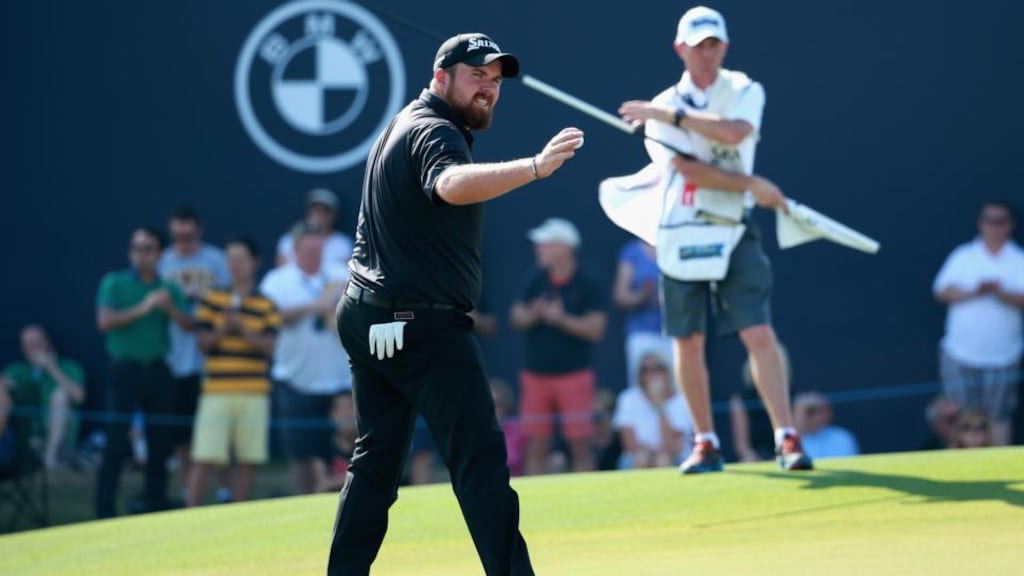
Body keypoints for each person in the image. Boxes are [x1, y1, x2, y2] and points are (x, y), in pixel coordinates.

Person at [328, 32, 583, 576]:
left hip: (369, 315)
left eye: (494, 81)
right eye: (476, 77)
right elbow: (448, 184)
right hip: (417, 323)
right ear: (441, 77)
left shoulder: (405, 122)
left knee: (375, 463)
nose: (488, 89)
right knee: (480, 463)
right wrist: (534, 167)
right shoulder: (433, 129)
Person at [616, 6, 812, 473]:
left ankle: (786, 437)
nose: (706, 54)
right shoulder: (663, 104)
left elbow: (733, 132)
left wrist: (670, 117)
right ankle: (705, 442)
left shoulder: (742, 89)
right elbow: (686, 169)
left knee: (758, 331)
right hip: (682, 226)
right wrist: (750, 184)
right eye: (697, 45)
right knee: (687, 338)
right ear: (680, 49)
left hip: (733, 226)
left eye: (713, 45)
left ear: (723, 47)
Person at [95, 227, 191, 518]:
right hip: (124, 370)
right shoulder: (114, 282)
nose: (141, 254)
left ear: (160, 254)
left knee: (160, 443)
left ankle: (155, 506)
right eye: (136, 248)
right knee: (114, 444)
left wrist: (169, 308)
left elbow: (190, 325)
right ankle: (104, 512)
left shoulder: (169, 289)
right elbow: (105, 322)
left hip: (158, 371)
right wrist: (143, 308)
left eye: (148, 248)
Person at [186, 236, 281, 506]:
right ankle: (188, 516)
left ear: (254, 262)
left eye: (241, 259)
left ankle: (238, 516)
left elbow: (270, 348)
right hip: (216, 391)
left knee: (247, 459)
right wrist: (223, 329)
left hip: (254, 392)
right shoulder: (212, 299)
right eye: (231, 259)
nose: (235, 265)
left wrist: (242, 329)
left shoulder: (267, 303)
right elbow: (202, 343)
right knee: (203, 456)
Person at [509, 217, 607, 475]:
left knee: (580, 444)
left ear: (563, 247)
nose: (538, 249)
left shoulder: (588, 283)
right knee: (536, 444)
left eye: (544, 244)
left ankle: (588, 498)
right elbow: (516, 316)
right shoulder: (534, 279)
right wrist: (535, 313)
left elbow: (596, 329)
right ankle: (534, 502)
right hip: (536, 375)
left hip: (575, 375)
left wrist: (561, 319)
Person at [260, 223, 350, 495]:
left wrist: (337, 309)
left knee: (346, 447)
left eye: (318, 249)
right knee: (301, 452)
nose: (314, 255)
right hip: (295, 379)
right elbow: (271, 318)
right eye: (308, 249)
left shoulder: (340, 275)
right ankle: (304, 502)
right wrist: (315, 306)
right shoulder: (276, 281)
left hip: (340, 382)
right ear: (296, 250)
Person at [933, 200, 1024, 446]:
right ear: (981, 223)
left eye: (1000, 221)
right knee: (960, 415)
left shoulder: (1019, 259)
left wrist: (1000, 292)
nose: (994, 227)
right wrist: (975, 291)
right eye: (989, 220)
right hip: (960, 353)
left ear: (1010, 225)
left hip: (1004, 356)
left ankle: (1000, 471)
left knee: (999, 415)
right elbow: (941, 292)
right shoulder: (963, 256)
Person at [158, 205, 229, 495]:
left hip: (211, 360)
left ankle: (224, 490)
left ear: (198, 230)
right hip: (174, 359)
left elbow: (226, 299)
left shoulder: (215, 259)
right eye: (178, 236)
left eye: (189, 235)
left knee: (215, 431)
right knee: (182, 436)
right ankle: (190, 492)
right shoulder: (163, 261)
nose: (184, 241)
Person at [1, 325, 87, 469]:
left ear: (47, 342)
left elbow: (79, 397)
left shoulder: (69, 368)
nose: (33, 347)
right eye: (28, 344)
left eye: (37, 342)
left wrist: (52, 368)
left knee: (60, 395)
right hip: (24, 435)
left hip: (61, 436)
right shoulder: (15, 371)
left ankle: (50, 456)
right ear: (23, 349)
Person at [612, 351, 692, 469]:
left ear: (667, 372)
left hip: (675, 458)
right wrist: (649, 452)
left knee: (663, 460)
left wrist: (659, 406)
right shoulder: (628, 399)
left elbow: (675, 447)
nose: (651, 374)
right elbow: (630, 445)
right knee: (642, 458)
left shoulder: (681, 401)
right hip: (638, 457)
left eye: (657, 368)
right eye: (645, 370)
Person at [613, 238, 675, 389]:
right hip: (642, 333)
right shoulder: (631, 252)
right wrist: (643, 297)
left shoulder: (676, 245)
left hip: (676, 332)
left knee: (677, 388)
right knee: (641, 390)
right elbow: (620, 296)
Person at [730, 346, 789, 462]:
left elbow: (795, 436)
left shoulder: (794, 397)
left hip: (785, 456)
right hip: (754, 460)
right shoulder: (741, 400)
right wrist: (751, 457)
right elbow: (742, 446)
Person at [275, 188, 354, 269]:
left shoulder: (343, 243)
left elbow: (348, 273)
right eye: (316, 210)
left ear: (334, 216)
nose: (319, 215)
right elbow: (281, 271)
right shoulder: (288, 240)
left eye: (325, 211)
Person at [792, 391, 859, 459]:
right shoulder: (788, 439)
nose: (811, 416)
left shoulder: (841, 437)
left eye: (815, 411)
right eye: (808, 412)